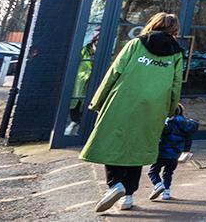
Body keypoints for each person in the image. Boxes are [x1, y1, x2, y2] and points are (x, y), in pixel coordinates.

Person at [82, 13, 185, 213]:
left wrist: (98, 100)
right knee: (137, 147)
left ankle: (115, 184)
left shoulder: (136, 44)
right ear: (174, 30)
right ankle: (128, 196)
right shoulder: (176, 54)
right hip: (154, 106)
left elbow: (114, 72)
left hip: (123, 99)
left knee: (112, 140)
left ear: (153, 24)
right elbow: (176, 85)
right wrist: (171, 109)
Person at [148, 105, 199, 201]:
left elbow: (158, 134)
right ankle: (166, 193)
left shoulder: (167, 123)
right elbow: (188, 140)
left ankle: (158, 185)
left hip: (162, 153)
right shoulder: (185, 124)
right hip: (175, 155)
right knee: (168, 173)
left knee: (153, 172)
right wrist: (186, 151)